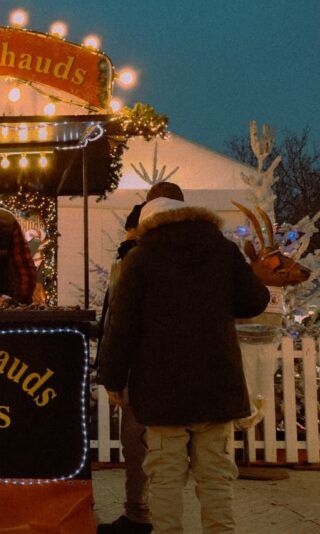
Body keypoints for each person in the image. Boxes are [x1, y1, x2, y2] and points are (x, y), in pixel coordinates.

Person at [98, 182, 270, 533]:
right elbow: (254, 301)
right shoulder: (223, 250)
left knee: (165, 476)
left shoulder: (141, 258)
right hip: (217, 386)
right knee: (216, 476)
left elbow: (123, 325)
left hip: (162, 390)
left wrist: (113, 379)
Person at [96, 202, 152, 534]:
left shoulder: (133, 259)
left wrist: (111, 372)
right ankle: (144, 511)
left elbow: (119, 319)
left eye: (129, 229)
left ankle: (140, 514)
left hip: (138, 366)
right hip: (152, 365)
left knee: (136, 440)